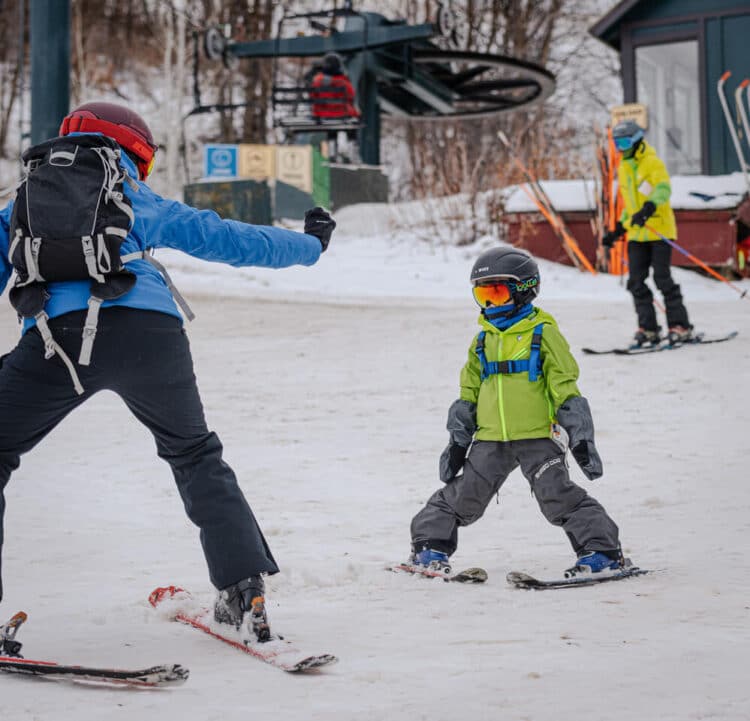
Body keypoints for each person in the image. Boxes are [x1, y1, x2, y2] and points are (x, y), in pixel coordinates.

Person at [0, 101, 336, 641]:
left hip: (53, 342)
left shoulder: (24, 203)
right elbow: (226, 237)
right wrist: (310, 246)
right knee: (194, 453)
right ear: (135, 151)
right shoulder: (135, 196)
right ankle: (243, 592)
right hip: (151, 336)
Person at [408, 247, 626, 577]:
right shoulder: (482, 341)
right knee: (462, 495)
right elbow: (469, 392)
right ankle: (429, 547)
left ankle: (602, 551)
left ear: (524, 290)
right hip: (491, 439)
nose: (489, 304)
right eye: (483, 295)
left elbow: (564, 384)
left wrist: (579, 434)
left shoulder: (544, 333)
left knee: (558, 496)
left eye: (496, 293)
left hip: (538, 436)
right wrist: (457, 439)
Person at [603, 119, 692, 346]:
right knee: (635, 282)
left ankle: (680, 325)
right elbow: (630, 206)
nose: (621, 148)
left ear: (635, 139)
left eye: (623, 142)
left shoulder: (652, 162)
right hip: (637, 234)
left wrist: (650, 207)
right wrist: (618, 230)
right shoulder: (624, 167)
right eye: (616, 144)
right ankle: (649, 328)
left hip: (659, 228)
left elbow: (663, 188)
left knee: (662, 278)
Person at [310, 52, 360, 121]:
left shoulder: (317, 81)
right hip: (342, 114)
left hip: (321, 114)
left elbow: (312, 96)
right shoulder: (343, 82)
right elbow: (351, 96)